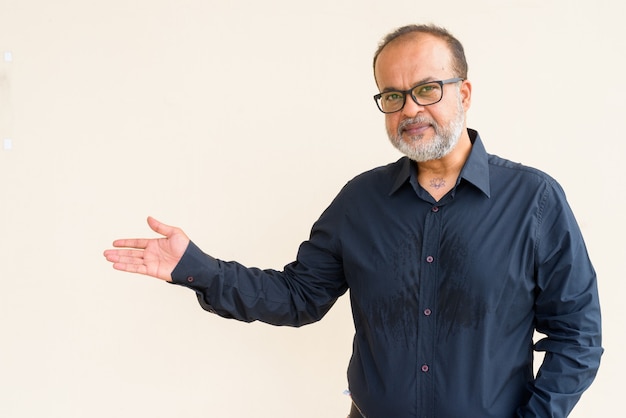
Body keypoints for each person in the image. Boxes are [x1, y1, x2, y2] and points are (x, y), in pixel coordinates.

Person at [103, 24, 603, 418]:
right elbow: (299, 297)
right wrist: (197, 267)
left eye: (427, 89)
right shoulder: (360, 201)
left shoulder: (534, 199)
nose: (410, 109)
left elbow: (577, 335)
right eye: (392, 95)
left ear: (464, 93)